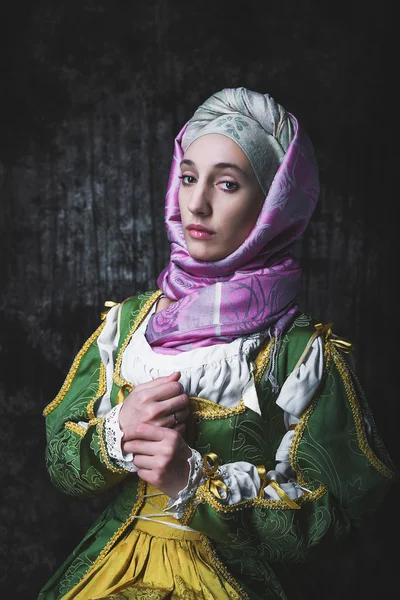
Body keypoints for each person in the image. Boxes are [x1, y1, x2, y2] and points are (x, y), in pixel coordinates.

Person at [38, 87, 396, 600]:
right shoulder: (127, 324)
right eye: (188, 178)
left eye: (227, 184)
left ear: (275, 203)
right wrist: (116, 434)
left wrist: (193, 480)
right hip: (108, 568)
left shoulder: (300, 355)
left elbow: (336, 518)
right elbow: (61, 463)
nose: (196, 204)